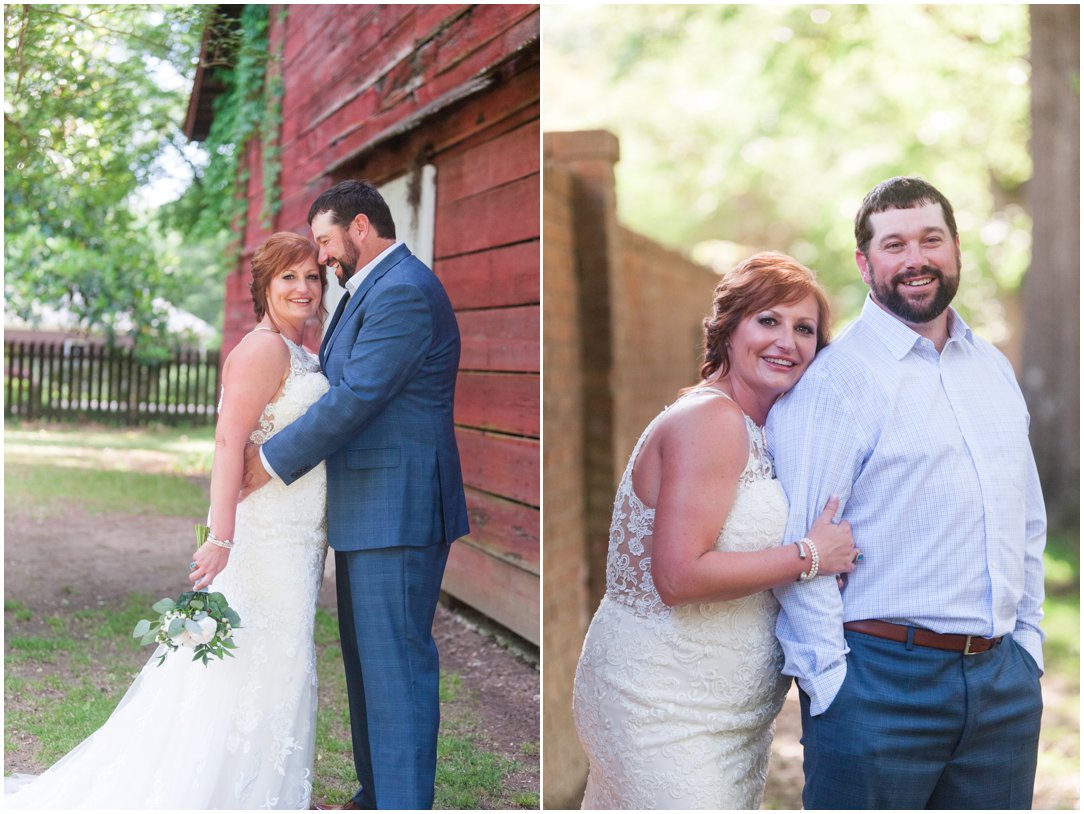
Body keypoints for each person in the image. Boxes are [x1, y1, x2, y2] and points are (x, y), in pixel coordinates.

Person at [6, 232, 332, 809]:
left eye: (312, 276)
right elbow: (229, 443)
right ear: (264, 286)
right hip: (264, 538)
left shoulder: (301, 350)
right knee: (251, 666)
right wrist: (220, 538)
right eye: (289, 277)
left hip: (298, 535)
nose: (304, 288)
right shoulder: (262, 349)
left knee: (274, 665)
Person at [768, 176, 1046, 809]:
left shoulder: (993, 369)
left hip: (1003, 684)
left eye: (931, 239)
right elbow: (800, 538)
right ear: (866, 264)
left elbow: (1026, 518)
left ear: (956, 249)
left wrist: (1027, 645)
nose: (916, 259)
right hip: (878, 684)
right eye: (894, 245)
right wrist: (832, 681)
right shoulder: (838, 380)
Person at [572, 252, 860, 810]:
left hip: (729, 717)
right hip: (664, 704)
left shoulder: (763, 430)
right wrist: (809, 556)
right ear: (729, 330)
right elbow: (678, 575)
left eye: (805, 329)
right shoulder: (711, 421)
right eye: (768, 320)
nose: (787, 341)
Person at [240, 180, 469, 811]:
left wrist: (270, 459)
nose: (322, 259)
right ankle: (376, 794)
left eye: (324, 241)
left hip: (398, 508)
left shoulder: (401, 293)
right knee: (370, 664)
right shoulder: (373, 289)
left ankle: (399, 803)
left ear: (360, 227)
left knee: (395, 667)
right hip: (371, 507)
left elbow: (358, 397)